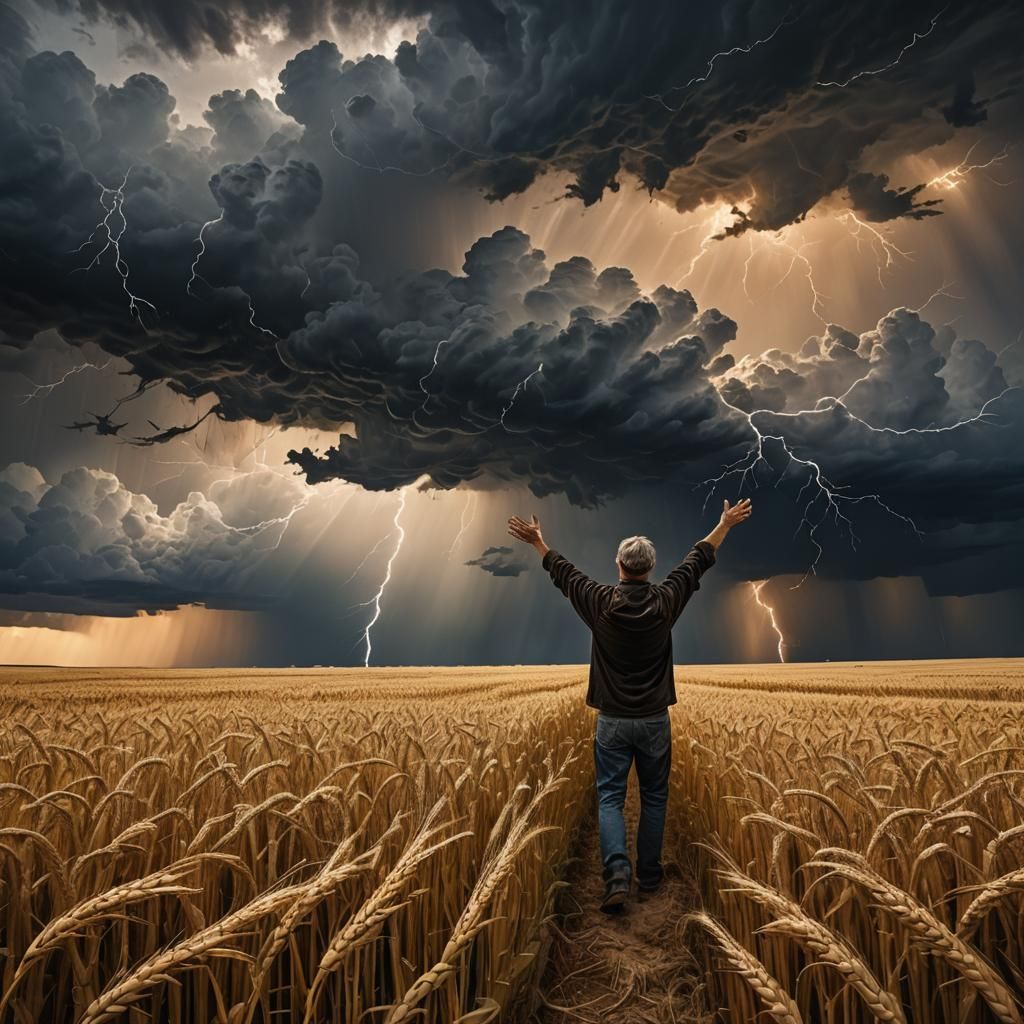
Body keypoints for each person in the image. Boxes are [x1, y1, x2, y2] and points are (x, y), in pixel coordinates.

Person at [507, 497, 753, 911]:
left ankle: (617, 877)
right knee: (655, 798)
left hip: (613, 722)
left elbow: (565, 574)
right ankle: (651, 876)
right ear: (651, 568)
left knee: (609, 799)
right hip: (655, 720)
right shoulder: (666, 601)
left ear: (619, 564)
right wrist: (725, 524)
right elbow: (698, 559)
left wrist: (538, 542)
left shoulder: (600, 601)